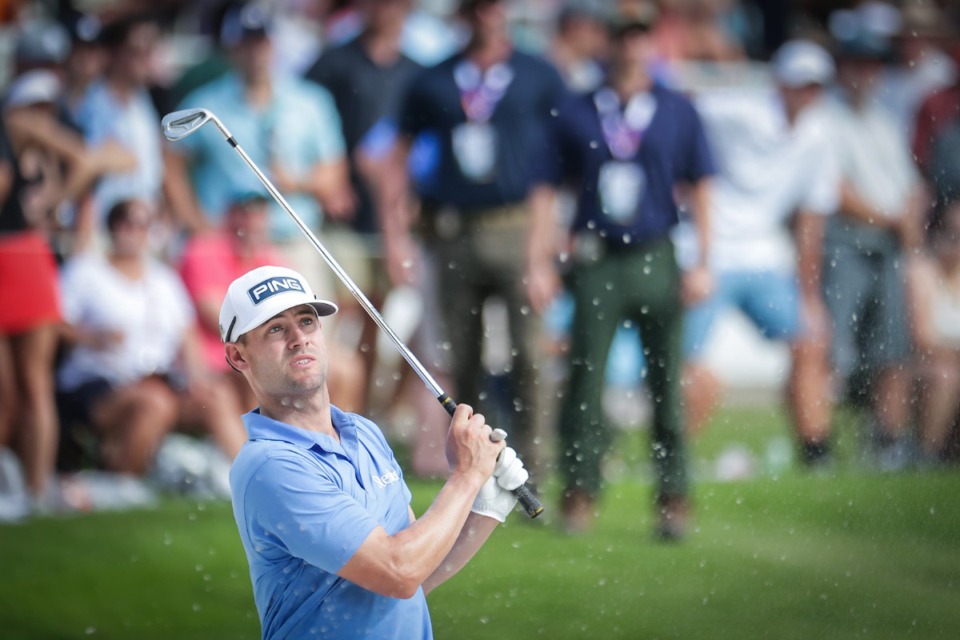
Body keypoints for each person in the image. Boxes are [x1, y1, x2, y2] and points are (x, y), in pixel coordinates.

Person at [223, 264, 528, 639]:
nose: (298, 338)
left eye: (306, 321)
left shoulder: (363, 432)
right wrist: (465, 478)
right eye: (275, 329)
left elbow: (418, 572)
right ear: (238, 357)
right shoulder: (269, 467)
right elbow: (398, 571)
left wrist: (484, 508)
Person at [527, 4, 715, 538]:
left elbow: (702, 184)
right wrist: (538, 260)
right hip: (596, 254)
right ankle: (581, 492)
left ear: (651, 41)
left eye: (639, 35)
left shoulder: (678, 109)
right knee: (586, 380)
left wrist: (705, 259)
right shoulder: (577, 108)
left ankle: (674, 496)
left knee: (666, 382)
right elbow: (545, 188)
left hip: (657, 251)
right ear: (606, 41)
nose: (630, 46)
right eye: (621, 35)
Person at [383, 0, 568, 480]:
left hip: (517, 227)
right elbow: (396, 156)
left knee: (530, 352)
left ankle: (534, 467)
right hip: (454, 231)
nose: (487, 15)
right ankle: (477, 467)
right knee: (462, 359)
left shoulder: (537, 74)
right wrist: (395, 234)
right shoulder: (435, 78)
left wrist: (549, 242)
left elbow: (562, 160)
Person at [678, 38, 839, 466]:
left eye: (814, 86)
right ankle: (674, 457)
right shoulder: (741, 110)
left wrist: (809, 296)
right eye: (800, 84)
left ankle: (815, 451)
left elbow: (811, 223)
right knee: (689, 365)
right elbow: (678, 111)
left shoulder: (821, 133)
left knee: (809, 342)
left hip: (763, 255)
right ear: (781, 84)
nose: (807, 94)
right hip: (707, 251)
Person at [56, 199, 247, 473]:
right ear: (113, 228)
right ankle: (124, 478)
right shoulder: (85, 271)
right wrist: (92, 337)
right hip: (101, 382)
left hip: (161, 379)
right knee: (154, 402)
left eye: (143, 224)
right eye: (127, 223)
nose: (135, 231)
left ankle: (245, 475)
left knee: (216, 394)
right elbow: (56, 324)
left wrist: (197, 377)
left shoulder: (163, 278)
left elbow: (187, 333)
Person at [819, 27, 927, 470]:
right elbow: (833, 189)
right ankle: (819, 447)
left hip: (888, 247)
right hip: (846, 244)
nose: (866, 74)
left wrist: (908, 221)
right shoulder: (827, 117)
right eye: (858, 65)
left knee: (893, 350)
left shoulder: (884, 119)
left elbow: (910, 187)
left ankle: (885, 443)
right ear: (843, 68)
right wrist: (893, 220)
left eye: (873, 66)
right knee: (834, 349)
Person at [178, 190, 366, 414]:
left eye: (259, 214)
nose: (252, 222)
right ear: (230, 216)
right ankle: (261, 444)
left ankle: (334, 439)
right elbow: (220, 322)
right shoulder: (203, 250)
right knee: (258, 364)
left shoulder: (270, 256)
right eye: (245, 214)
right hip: (218, 357)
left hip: (271, 345)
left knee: (348, 367)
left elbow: (296, 312)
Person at [907, 200, 960, 465]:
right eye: (952, 234)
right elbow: (922, 339)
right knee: (947, 374)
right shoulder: (922, 272)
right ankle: (928, 454)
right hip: (925, 365)